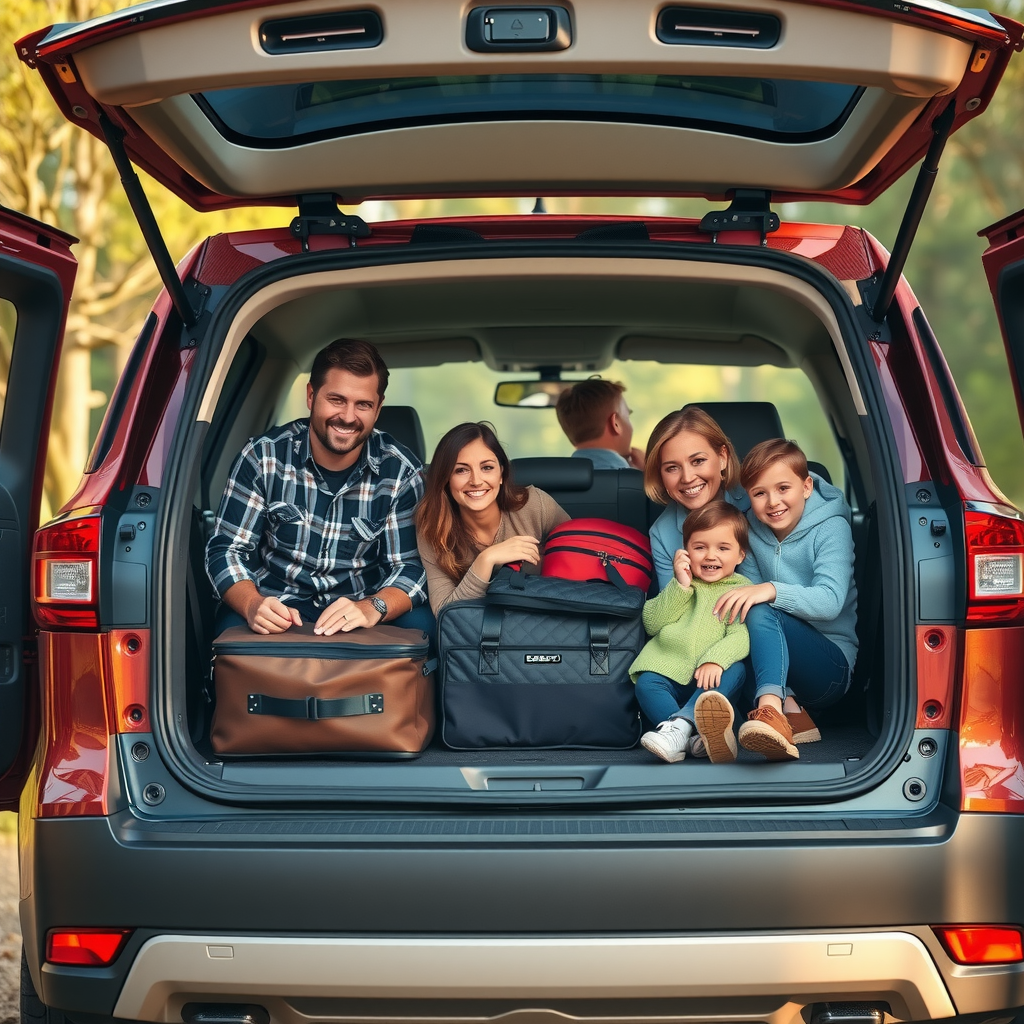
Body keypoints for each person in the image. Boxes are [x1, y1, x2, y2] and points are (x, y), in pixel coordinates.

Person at [206, 338, 429, 637]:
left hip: (359, 607)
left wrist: (372, 607)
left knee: (425, 628)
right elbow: (226, 549)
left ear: (378, 409)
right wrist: (252, 604)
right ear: (311, 396)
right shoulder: (263, 457)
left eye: (363, 404)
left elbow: (411, 567)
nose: (348, 417)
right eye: (336, 400)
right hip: (276, 604)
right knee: (226, 635)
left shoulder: (401, 472)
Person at [713, 439, 859, 761]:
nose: (773, 502)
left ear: (806, 487)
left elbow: (831, 601)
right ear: (748, 496)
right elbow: (742, 598)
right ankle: (787, 712)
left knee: (758, 605)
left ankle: (769, 710)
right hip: (775, 669)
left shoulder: (831, 527)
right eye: (759, 493)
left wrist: (772, 589)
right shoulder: (749, 529)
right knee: (737, 625)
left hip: (829, 666)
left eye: (783, 488)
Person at [630, 502, 751, 764]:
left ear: (741, 555)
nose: (710, 556)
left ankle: (679, 729)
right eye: (699, 548)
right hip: (670, 673)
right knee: (646, 683)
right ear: (685, 552)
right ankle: (692, 735)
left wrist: (715, 660)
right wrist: (680, 586)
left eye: (723, 548)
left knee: (736, 670)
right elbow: (651, 622)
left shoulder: (741, 589)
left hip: (710, 683)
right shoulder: (681, 585)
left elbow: (740, 636)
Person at [416, 422, 570, 614]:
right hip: (481, 637)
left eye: (487, 467)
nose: (476, 481)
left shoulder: (535, 505)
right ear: (446, 479)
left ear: (501, 474)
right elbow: (446, 613)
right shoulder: (433, 527)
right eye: (461, 470)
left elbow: (580, 559)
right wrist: (486, 559)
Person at [644, 406, 748, 591]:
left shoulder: (758, 501)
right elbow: (670, 610)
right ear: (661, 476)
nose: (687, 477)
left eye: (698, 461)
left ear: (722, 457)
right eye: (672, 468)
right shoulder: (662, 534)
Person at [555, 377, 645, 470]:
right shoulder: (633, 480)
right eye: (627, 417)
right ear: (615, 423)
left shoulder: (559, 478)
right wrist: (650, 473)